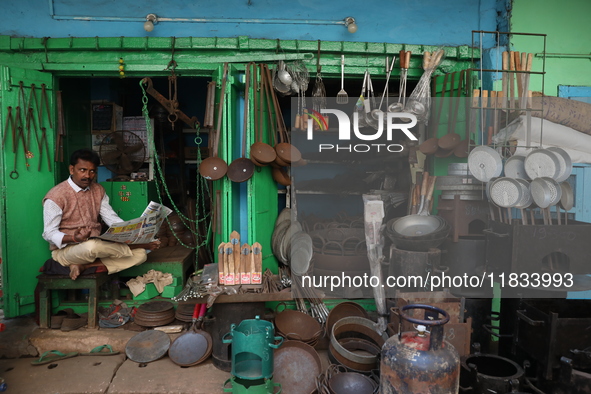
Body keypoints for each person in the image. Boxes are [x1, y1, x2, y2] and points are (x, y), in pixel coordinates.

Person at [42, 148, 160, 280]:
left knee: (141, 255)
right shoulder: (56, 196)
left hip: (97, 247)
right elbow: (49, 233)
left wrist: (134, 233)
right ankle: (134, 246)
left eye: (92, 171)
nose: (88, 175)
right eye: (82, 170)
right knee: (92, 247)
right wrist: (74, 238)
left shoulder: (98, 190)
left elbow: (112, 219)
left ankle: (83, 266)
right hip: (67, 251)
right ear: (71, 169)